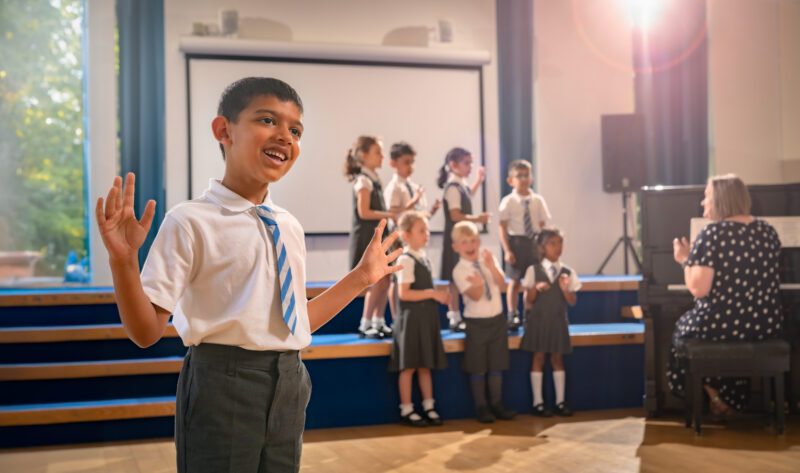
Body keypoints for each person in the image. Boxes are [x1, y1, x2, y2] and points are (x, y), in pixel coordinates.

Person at [96, 77, 402, 473]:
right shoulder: (190, 221)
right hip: (221, 383)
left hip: (290, 379)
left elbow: (297, 321)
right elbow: (145, 331)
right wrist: (124, 262)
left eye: (295, 130)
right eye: (267, 120)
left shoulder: (288, 225)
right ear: (224, 130)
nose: (284, 137)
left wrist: (361, 277)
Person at [668, 174, 783, 415]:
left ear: (721, 200)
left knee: (683, 330)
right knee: (729, 331)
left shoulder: (713, 235)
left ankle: (712, 392)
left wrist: (684, 260)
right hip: (764, 324)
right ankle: (733, 398)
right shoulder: (767, 231)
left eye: (706, 196)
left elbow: (698, 289)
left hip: (723, 324)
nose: (702, 202)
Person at [451, 221, 517, 423]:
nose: (470, 246)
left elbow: (502, 283)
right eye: (464, 242)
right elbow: (476, 295)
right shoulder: (459, 270)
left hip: (496, 320)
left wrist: (491, 267)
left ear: (479, 241)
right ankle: (481, 407)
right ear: (456, 247)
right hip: (476, 323)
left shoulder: (488, 258)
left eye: (473, 241)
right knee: (478, 367)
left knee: (496, 365)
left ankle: (497, 404)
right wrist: (478, 284)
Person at [389, 211, 450, 427]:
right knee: (409, 367)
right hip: (411, 321)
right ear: (406, 235)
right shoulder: (405, 259)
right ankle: (407, 409)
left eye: (427, 230)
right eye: (421, 230)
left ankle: (429, 406)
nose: (427, 234)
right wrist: (433, 294)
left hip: (425, 319)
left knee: (425, 365)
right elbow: (403, 294)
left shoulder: (423, 257)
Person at [521, 227, 580, 417]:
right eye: (552, 243)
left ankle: (560, 402)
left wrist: (564, 289)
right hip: (539, 321)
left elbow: (572, 301)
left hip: (557, 321)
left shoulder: (567, 272)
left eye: (560, 243)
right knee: (538, 357)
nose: (557, 247)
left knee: (557, 358)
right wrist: (536, 288)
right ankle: (538, 402)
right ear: (542, 247)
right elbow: (528, 300)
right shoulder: (533, 270)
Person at [384, 141, 442, 324]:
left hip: (412, 237)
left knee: (411, 277)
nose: (411, 167)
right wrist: (414, 200)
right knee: (398, 279)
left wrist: (431, 211)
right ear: (393, 163)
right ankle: (396, 318)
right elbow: (395, 215)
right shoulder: (394, 187)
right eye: (406, 162)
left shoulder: (412, 186)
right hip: (399, 238)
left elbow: (416, 216)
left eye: (412, 162)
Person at [345, 136, 396, 339]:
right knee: (376, 281)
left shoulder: (373, 178)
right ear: (363, 156)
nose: (382, 156)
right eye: (378, 152)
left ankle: (378, 320)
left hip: (378, 235)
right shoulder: (363, 180)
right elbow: (364, 212)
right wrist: (389, 214)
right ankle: (365, 323)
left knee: (386, 279)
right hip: (367, 236)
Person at [437, 147, 489, 332]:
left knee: (459, 277)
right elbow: (455, 215)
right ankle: (454, 317)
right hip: (456, 238)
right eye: (466, 163)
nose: (470, 167)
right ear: (453, 165)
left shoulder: (460, 185)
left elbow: (468, 193)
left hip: (460, 238)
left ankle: (459, 316)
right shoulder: (452, 188)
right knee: (453, 280)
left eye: (471, 163)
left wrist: (478, 181)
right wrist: (478, 219)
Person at [498, 160, 551, 331]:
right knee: (515, 281)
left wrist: (544, 248)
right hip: (517, 242)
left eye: (526, 175)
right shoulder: (508, 201)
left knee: (532, 282)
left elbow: (543, 225)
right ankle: (512, 314)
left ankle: (530, 313)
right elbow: (503, 227)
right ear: (510, 180)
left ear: (532, 178)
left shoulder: (537, 200)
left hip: (534, 242)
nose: (523, 179)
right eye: (519, 176)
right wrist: (507, 250)